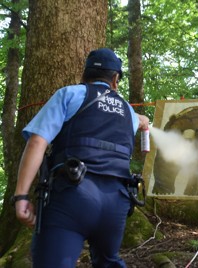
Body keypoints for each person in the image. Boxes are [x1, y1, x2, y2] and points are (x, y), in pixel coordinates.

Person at [12, 48, 149, 268]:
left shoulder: (69, 94)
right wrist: (141, 119)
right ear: (115, 80)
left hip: (71, 196)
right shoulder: (128, 111)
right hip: (117, 201)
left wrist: (21, 197)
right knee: (108, 261)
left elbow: (37, 142)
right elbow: (138, 121)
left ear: (84, 75)